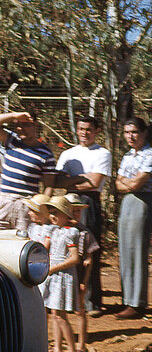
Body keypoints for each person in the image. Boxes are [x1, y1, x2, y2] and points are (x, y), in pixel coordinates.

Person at [55, 115, 112, 312]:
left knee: (89, 250)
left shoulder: (103, 153)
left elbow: (95, 183)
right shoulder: (68, 154)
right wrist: (81, 178)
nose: (84, 133)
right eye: (81, 129)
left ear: (96, 131)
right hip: (68, 203)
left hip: (89, 201)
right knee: (69, 250)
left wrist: (72, 179)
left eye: (88, 129)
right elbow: (57, 182)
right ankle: (71, 302)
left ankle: (92, 301)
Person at [0, 110, 61, 232]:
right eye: (18, 125)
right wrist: (14, 115)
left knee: (21, 243)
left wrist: (38, 208)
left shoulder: (46, 154)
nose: (20, 128)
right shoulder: (11, 141)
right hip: (5, 200)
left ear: (35, 125)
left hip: (25, 204)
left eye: (25, 125)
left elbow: (49, 185)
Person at [115, 117, 152, 320]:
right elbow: (118, 184)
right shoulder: (128, 155)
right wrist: (128, 182)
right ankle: (127, 299)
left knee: (137, 251)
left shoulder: (150, 154)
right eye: (127, 132)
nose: (131, 136)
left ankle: (137, 303)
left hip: (143, 202)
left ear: (144, 132)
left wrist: (127, 182)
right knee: (125, 250)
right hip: (127, 202)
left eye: (135, 132)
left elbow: (136, 184)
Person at [42, 196, 80, 352]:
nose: (53, 216)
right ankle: (58, 349)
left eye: (56, 213)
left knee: (60, 315)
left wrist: (54, 267)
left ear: (66, 214)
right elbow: (44, 248)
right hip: (52, 274)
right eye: (50, 213)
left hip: (62, 275)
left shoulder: (71, 233)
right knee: (54, 313)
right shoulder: (53, 231)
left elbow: (74, 258)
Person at [65, 193, 98, 352]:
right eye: (72, 210)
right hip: (63, 275)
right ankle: (63, 343)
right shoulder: (59, 230)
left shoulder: (84, 232)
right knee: (59, 311)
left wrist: (84, 280)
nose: (76, 214)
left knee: (80, 310)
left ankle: (81, 345)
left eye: (78, 211)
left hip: (78, 275)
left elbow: (89, 259)